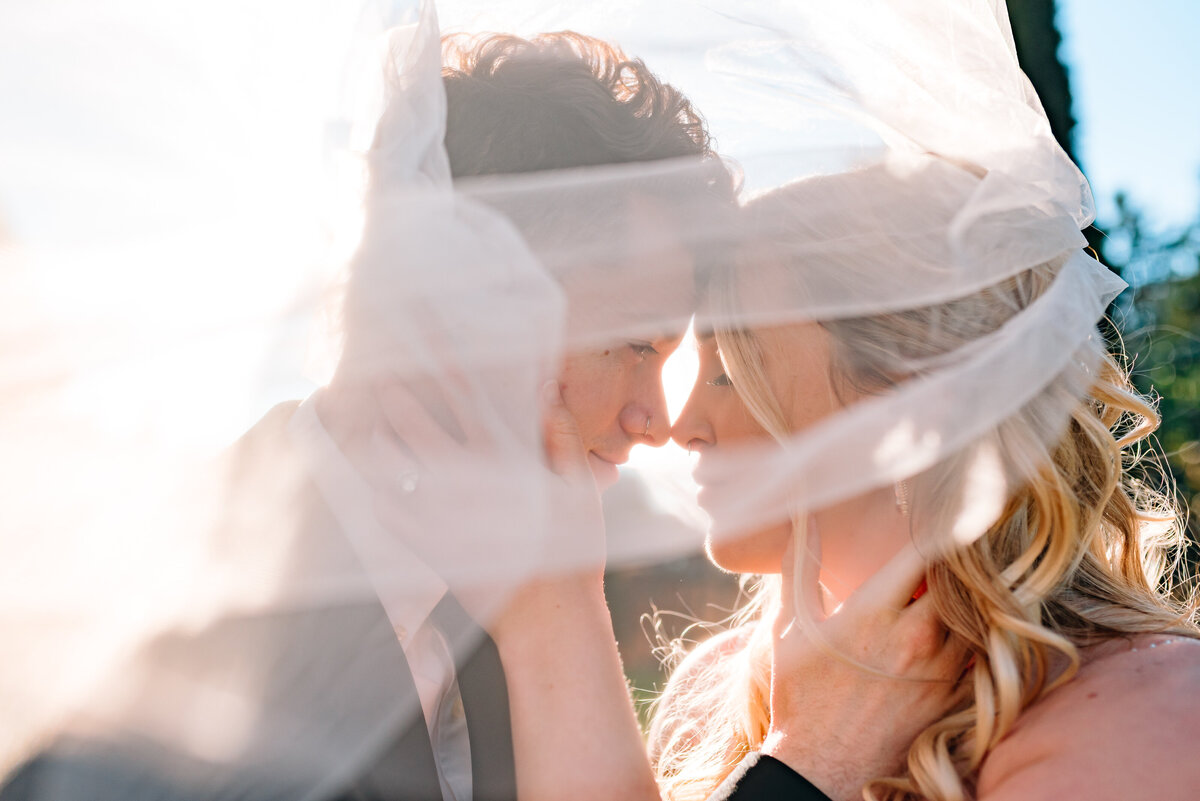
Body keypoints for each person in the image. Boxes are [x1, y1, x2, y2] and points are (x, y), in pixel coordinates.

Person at [0, 26, 727, 801]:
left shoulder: (522, 605)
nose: (657, 417)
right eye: (636, 346)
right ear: (484, 297)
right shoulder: (154, 611)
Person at [649, 161, 1200, 801]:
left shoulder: (1141, 714)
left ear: (906, 400)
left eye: (729, 370)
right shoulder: (709, 699)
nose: (680, 425)